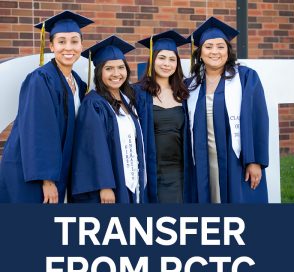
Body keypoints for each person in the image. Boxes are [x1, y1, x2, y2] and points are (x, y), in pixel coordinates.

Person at [0, 11, 93, 203]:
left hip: (54, 170)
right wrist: (47, 179)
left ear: (82, 46)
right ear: (51, 46)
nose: (69, 47)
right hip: (32, 173)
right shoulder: (41, 79)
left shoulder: (78, 83)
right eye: (61, 41)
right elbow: (38, 130)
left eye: (74, 41)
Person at [186, 17, 269, 203]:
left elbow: (259, 119)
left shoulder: (246, 78)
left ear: (228, 51)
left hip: (236, 160)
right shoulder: (191, 86)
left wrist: (255, 160)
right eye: (208, 47)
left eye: (220, 46)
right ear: (199, 53)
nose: (214, 51)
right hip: (203, 161)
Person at [71, 36, 146, 204]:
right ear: (99, 72)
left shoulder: (128, 100)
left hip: (132, 181)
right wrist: (105, 186)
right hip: (112, 184)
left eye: (121, 67)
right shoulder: (93, 103)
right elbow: (94, 148)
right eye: (109, 68)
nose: (116, 74)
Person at [135, 30, 193, 203]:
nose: (167, 64)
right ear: (152, 60)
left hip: (178, 171)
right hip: (150, 169)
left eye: (172, 59)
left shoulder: (184, 93)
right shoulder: (137, 92)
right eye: (162, 58)